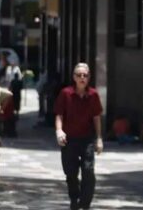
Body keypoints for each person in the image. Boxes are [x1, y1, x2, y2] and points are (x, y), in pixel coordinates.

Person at [55, 63, 104, 210]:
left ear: (89, 78)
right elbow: (59, 114)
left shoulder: (93, 95)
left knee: (88, 171)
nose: (82, 78)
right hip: (69, 139)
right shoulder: (66, 93)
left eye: (85, 75)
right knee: (71, 172)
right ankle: (74, 197)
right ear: (74, 77)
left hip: (86, 139)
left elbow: (96, 117)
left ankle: (85, 203)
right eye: (79, 75)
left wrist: (99, 138)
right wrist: (59, 130)